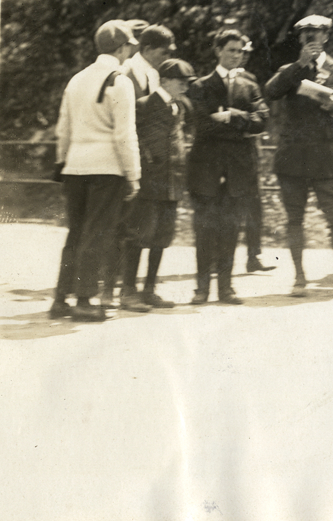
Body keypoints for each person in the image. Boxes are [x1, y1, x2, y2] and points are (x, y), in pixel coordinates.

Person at [49, 20, 141, 322]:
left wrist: (61, 162)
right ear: (122, 47)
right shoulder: (120, 80)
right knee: (97, 234)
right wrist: (133, 175)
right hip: (107, 169)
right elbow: (124, 134)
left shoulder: (76, 79)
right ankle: (86, 300)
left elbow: (63, 129)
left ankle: (61, 299)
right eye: (129, 45)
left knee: (76, 232)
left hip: (75, 166)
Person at [265, 15, 333, 299]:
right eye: (306, 35)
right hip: (293, 157)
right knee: (294, 219)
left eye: (316, 34)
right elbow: (270, 92)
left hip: (327, 158)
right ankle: (299, 279)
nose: (311, 39)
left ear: (326, 37)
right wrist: (298, 66)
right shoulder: (290, 70)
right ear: (300, 39)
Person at [186, 29, 269, 305]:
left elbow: (262, 121)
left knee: (231, 228)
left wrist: (231, 115)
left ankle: (226, 288)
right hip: (206, 168)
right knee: (205, 228)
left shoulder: (250, 86)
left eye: (241, 50)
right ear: (218, 51)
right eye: (232, 49)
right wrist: (242, 127)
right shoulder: (199, 86)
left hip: (238, 170)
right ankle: (201, 288)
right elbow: (203, 125)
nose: (237, 55)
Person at [119, 58, 195, 311]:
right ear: (165, 80)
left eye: (187, 82)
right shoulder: (145, 105)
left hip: (172, 182)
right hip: (150, 182)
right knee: (140, 235)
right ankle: (128, 291)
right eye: (180, 81)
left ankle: (149, 289)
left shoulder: (180, 106)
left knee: (162, 237)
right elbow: (134, 139)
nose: (185, 86)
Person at [237, 38, 275, 274]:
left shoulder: (249, 80)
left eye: (246, 54)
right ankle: (214, 257)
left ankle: (254, 255)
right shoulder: (214, 80)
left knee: (254, 204)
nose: (243, 57)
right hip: (224, 151)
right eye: (239, 52)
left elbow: (261, 115)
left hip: (248, 149)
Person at [123, 23, 176, 98]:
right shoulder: (125, 70)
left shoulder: (153, 74)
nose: (167, 58)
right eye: (164, 53)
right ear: (147, 50)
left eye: (170, 54)